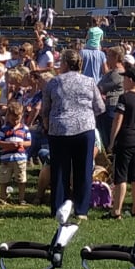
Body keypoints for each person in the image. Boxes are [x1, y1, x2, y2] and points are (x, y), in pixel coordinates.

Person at [39, 58, 102, 217]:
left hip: (59, 129)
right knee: (83, 169)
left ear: (66, 64)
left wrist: (47, 124)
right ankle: (81, 210)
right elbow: (100, 107)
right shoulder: (89, 81)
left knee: (60, 169)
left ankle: (59, 208)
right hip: (85, 129)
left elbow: (45, 109)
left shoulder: (54, 82)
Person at [104, 63, 135, 219]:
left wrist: (112, 140)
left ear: (130, 80)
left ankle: (116, 210)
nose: (123, 81)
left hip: (124, 139)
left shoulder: (124, 98)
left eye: (125, 79)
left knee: (121, 176)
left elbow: (118, 120)